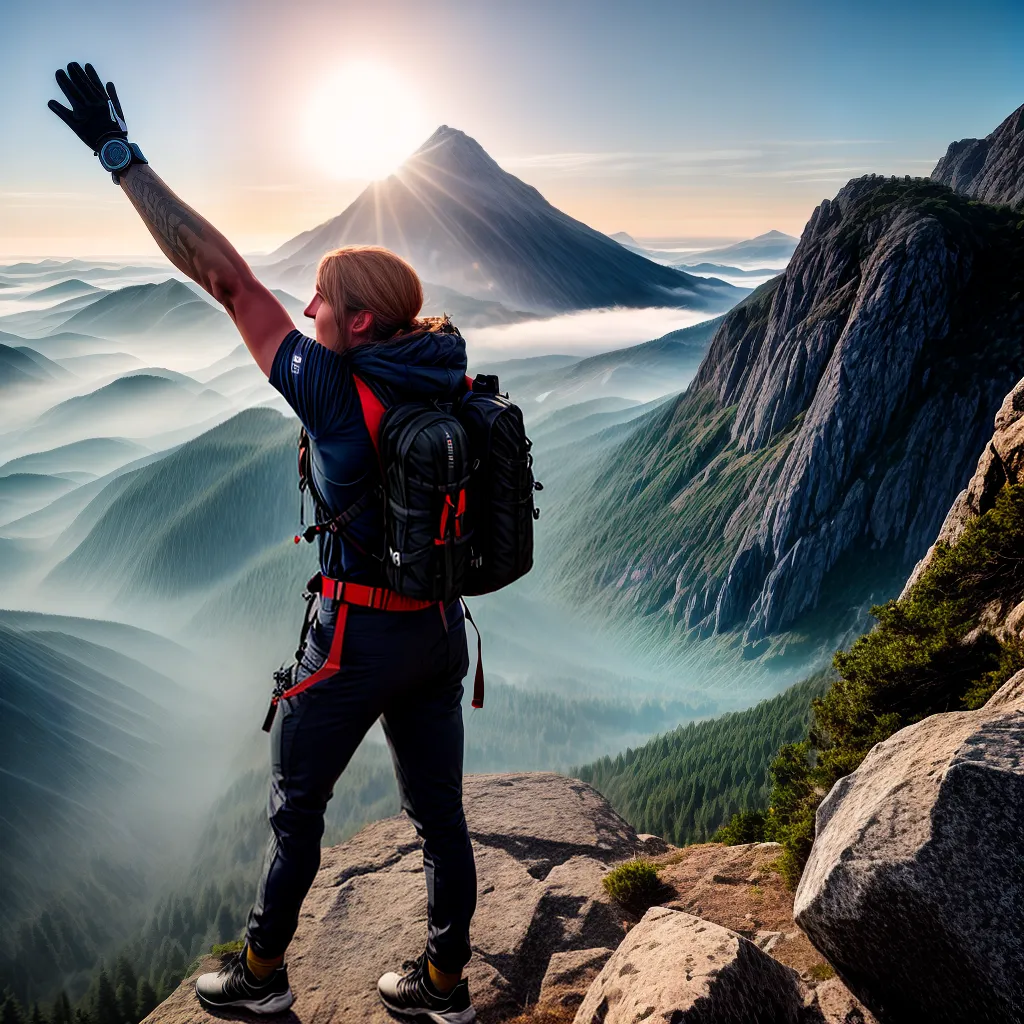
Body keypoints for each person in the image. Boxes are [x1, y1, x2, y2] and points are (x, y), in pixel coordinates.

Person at [49, 62, 478, 1023]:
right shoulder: (443, 373)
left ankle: (261, 973)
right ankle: (446, 984)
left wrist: (123, 159)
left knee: (297, 811)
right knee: (441, 820)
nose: (306, 309)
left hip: (354, 640)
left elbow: (224, 276)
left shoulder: (334, 385)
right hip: (440, 630)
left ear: (358, 320)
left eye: (320, 300)